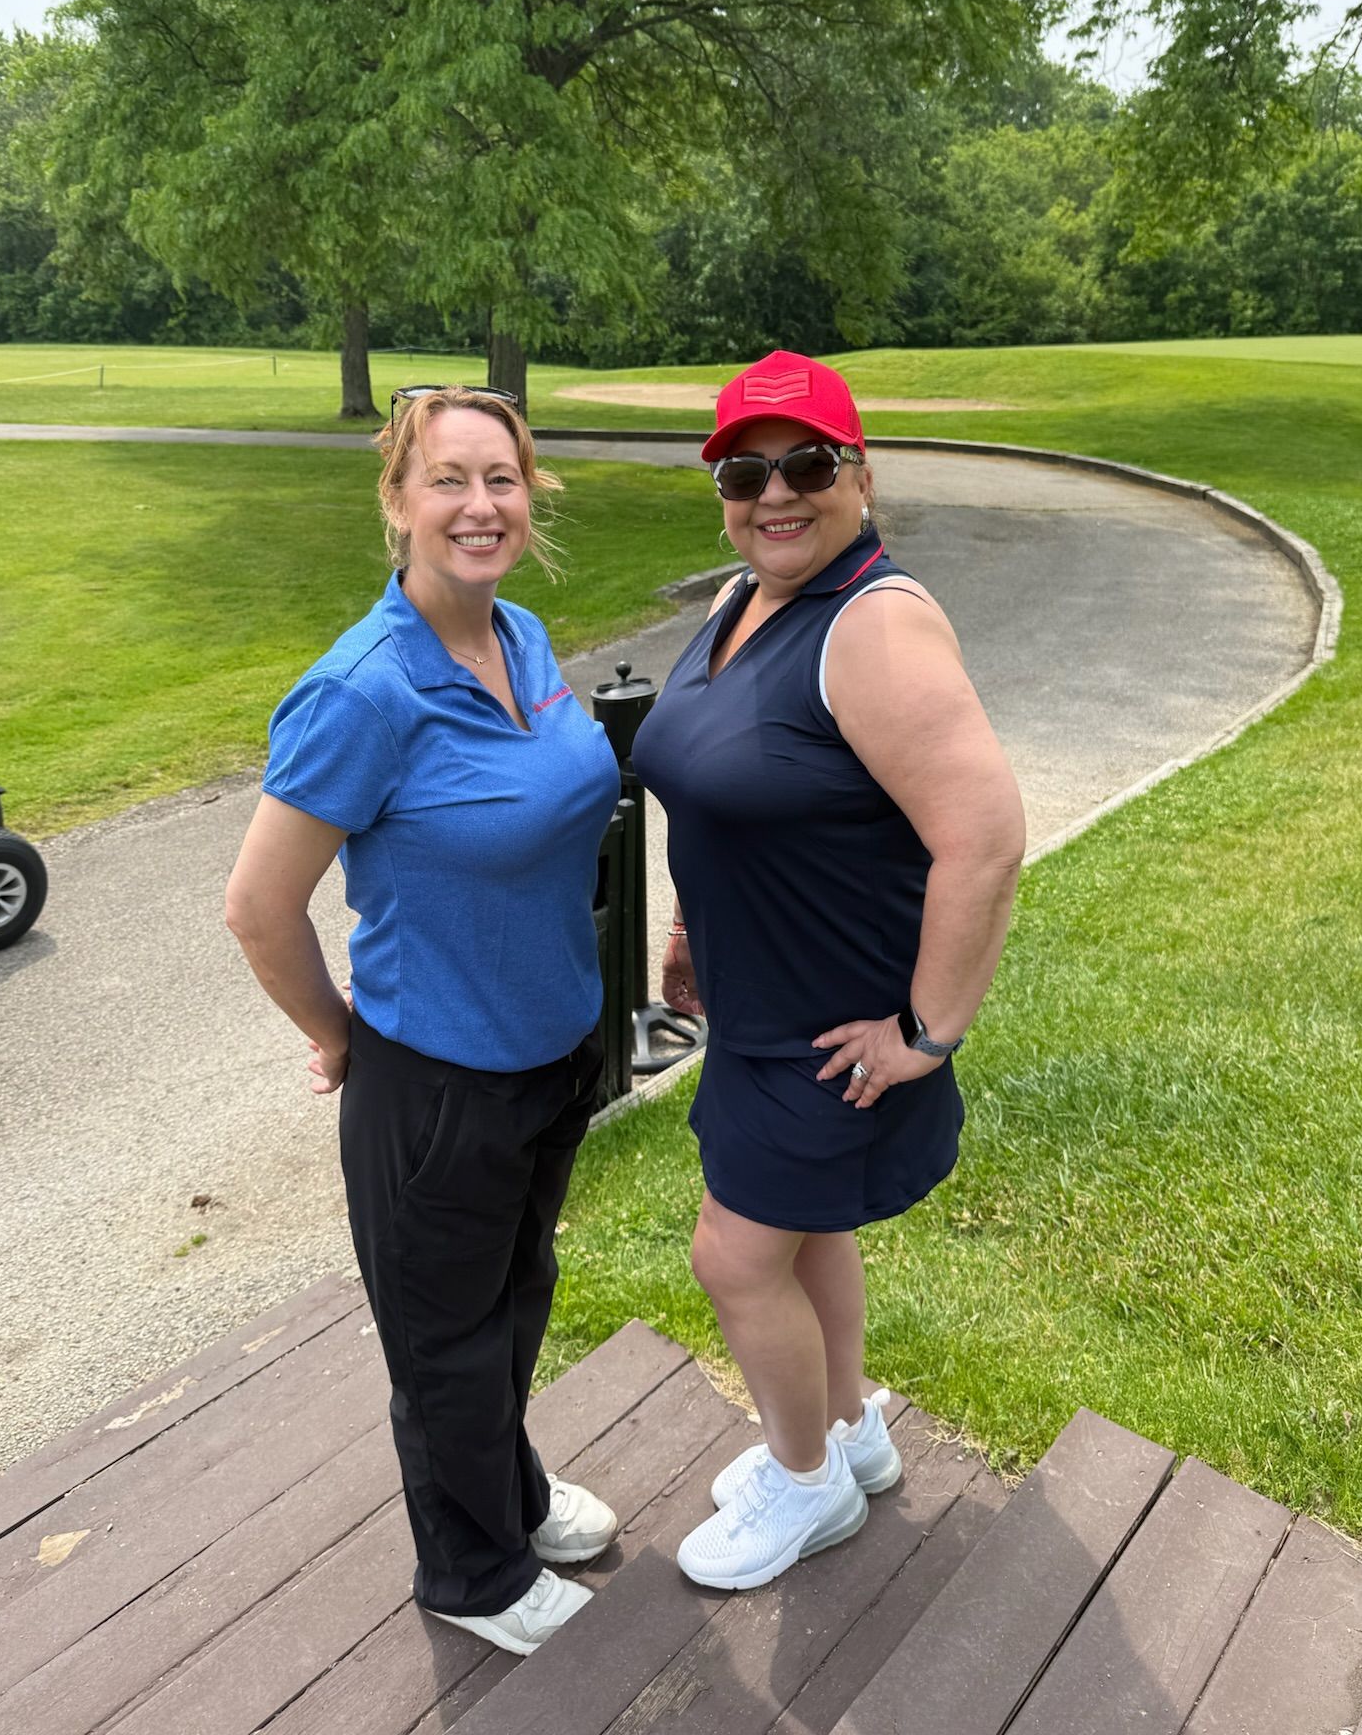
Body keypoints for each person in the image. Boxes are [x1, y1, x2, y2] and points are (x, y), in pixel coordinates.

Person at [225, 387, 623, 1655]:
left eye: (501, 478)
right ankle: (475, 1572)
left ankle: (503, 1490)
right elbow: (257, 906)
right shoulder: (363, 691)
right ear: (396, 501)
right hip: (437, 1077)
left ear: (531, 496)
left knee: (515, 1297)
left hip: (552, 1052)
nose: (479, 504)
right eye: (447, 479)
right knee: (445, 1337)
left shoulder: (526, 635)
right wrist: (343, 1035)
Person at [630, 350, 1025, 1592]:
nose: (775, 492)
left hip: (835, 1031)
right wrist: (694, 926)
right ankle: (847, 1434)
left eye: (807, 463)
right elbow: (714, 790)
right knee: (803, 1241)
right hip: (757, 1005)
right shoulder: (743, 601)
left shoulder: (875, 621)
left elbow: (986, 836)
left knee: (733, 1257)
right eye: (747, 470)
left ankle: (803, 1486)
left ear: (859, 473)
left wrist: (929, 1027)